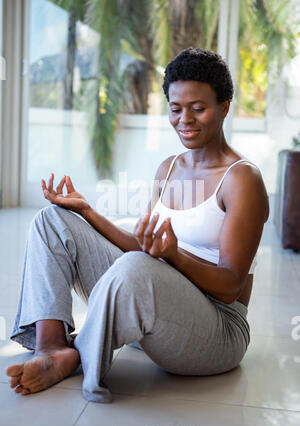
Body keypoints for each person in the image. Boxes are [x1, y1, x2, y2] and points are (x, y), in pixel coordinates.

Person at [6, 47, 269, 403]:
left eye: (199, 108)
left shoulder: (242, 179)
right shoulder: (169, 168)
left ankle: (83, 353)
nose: (185, 120)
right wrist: (88, 213)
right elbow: (145, 249)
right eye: (176, 109)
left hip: (217, 330)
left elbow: (229, 288)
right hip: (155, 307)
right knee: (52, 221)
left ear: (224, 106)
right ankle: (52, 348)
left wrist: (171, 255)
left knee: (138, 266)